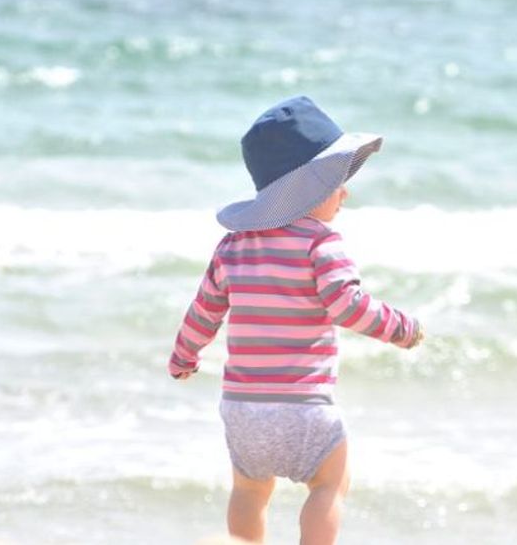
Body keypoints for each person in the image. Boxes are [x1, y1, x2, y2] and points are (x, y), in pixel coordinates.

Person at [167, 96, 424, 545]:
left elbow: (204, 310)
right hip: (303, 406)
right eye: (337, 183)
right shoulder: (321, 242)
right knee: (330, 484)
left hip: (243, 408)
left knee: (248, 490)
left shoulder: (233, 246)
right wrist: (401, 328)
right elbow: (347, 305)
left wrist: (183, 357)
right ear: (308, 189)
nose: (345, 193)